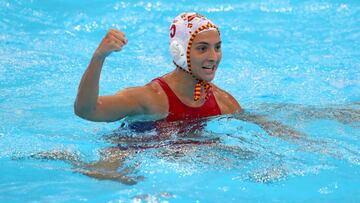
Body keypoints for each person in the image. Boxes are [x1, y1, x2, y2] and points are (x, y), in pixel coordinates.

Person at [74, 12, 242, 123]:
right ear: (179, 51)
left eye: (217, 47)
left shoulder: (222, 103)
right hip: (128, 157)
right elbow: (87, 110)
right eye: (202, 48)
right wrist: (99, 57)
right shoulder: (151, 99)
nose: (213, 57)